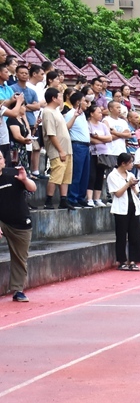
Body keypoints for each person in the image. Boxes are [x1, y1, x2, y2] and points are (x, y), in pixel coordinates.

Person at [0, 151, 36, 302]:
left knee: (20, 258)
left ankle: (18, 290)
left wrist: (25, 179)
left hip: (20, 222)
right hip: (2, 221)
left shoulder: (14, 174)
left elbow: (32, 188)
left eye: (0, 158)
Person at [107, 152, 140, 270]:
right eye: (130, 162)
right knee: (121, 235)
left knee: (135, 235)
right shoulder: (113, 176)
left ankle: (133, 260)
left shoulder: (131, 175)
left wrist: (133, 186)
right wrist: (128, 184)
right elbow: (117, 193)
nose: (132, 165)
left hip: (133, 206)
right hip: (121, 208)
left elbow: (137, 192)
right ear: (123, 163)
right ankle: (121, 260)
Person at [40, 87, 71, 209]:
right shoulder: (48, 112)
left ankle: (63, 199)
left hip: (66, 149)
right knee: (56, 175)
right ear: (53, 98)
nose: (61, 99)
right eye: (59, 96)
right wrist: (60, 150)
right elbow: (51, 133)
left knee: (65, 176)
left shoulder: (57, 111)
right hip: (58, 150)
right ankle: (49, 199)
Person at [86, 103, 112, 206]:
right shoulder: (88, 124)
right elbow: (90, 140)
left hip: (103, 154)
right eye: (99, 112)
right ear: (92, 114)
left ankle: (97, 198)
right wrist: (102, 139)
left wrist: (98, 137)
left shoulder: (103, 125)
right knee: (92, 175)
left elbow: (109, 138)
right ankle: (89, 198)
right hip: (93, 153)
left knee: (100, 176)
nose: (101, 114)